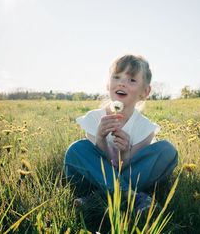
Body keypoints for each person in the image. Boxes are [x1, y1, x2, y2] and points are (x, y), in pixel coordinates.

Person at [64, 55, 178, 212]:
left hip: (126, 175)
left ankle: (97, 199)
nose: (122, 83)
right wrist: (100, 139)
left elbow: (128, 168)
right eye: (116, 77)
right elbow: (98, 163)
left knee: (167, 151)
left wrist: (125, 153)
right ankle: (132, 196)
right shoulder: (93, 118)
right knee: (76, 149)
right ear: (107, 84)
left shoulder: (144, 128)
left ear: (145, 92)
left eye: (131, 80)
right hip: (94, 179)